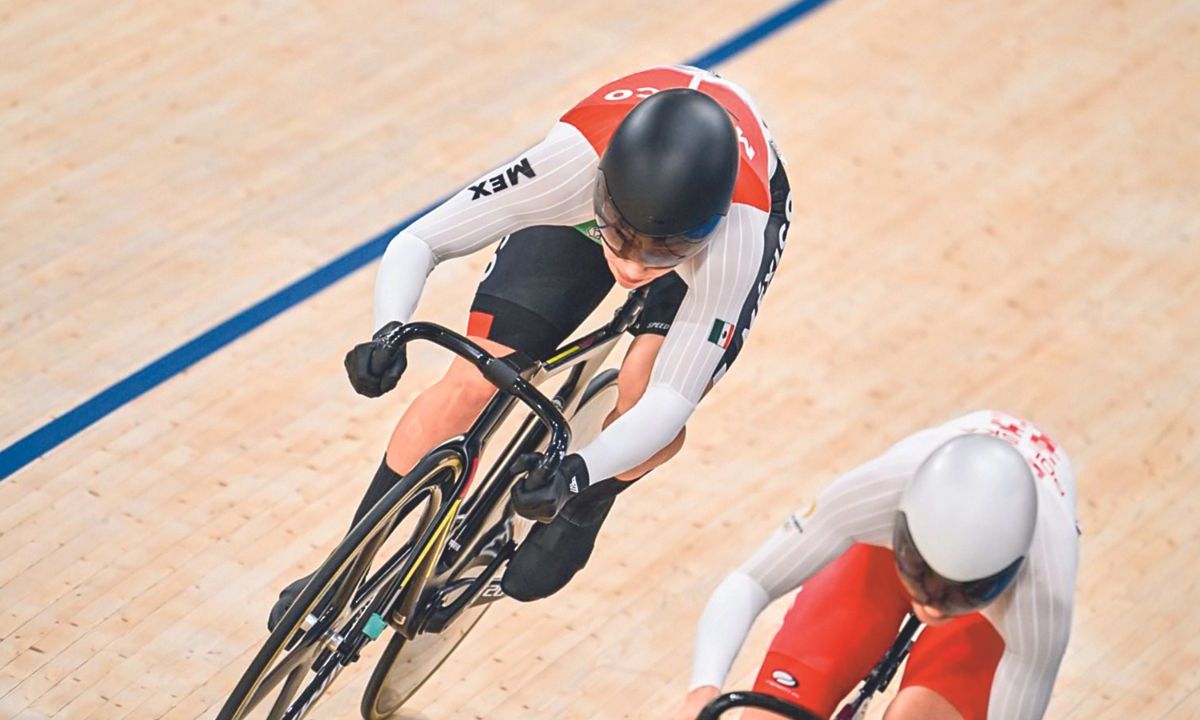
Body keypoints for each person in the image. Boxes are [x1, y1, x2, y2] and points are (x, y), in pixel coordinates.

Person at [268, 65, 792, 628]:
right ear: (600, 192)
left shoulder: (737, 236)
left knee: (642, 390)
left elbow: (671, 402)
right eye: (620, 240)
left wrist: (580, 476)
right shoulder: (565, 166)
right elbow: (421, 240)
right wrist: (389, 328)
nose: (635, 268)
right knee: (473, 377)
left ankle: (593, 503)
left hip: (722, 221)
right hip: (588, 208)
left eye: (663, 254)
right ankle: (347, 563)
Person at [674, 410, 1080, 720]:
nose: (934, 606)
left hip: (990, 613)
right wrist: (703, 690)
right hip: (885, 558)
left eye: (958, 594)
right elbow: (750, 582)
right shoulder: (878, 492)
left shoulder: (1043, 592)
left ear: (1011, 571)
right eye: (923, 576)